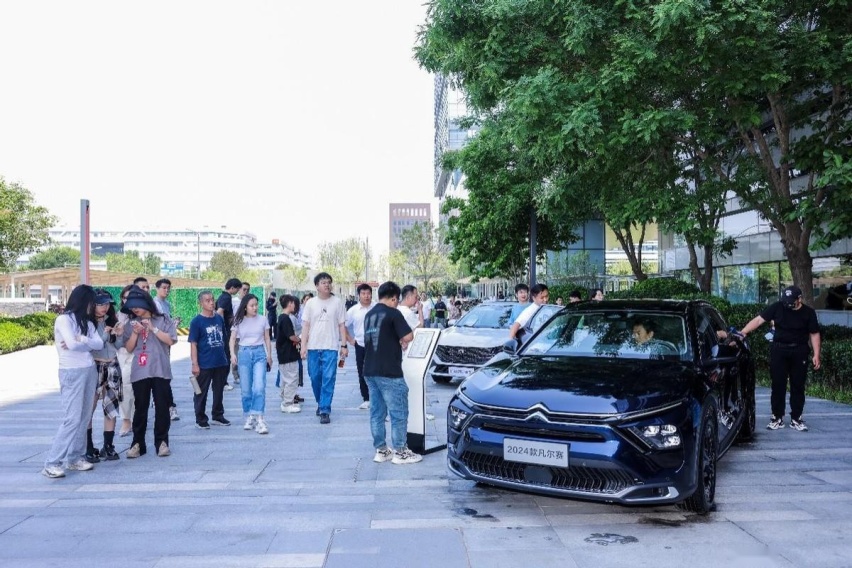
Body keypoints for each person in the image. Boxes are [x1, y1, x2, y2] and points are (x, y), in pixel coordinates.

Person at [736, 285, 821, 431]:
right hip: (779, 350)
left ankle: (796, 418)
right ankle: (777, 417)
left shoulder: (808, 313)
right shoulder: (777, 307)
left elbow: (814, 334)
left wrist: (816, 354)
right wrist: (743, 332)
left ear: (799, 299)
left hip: (799, 350)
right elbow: (758, 320)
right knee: (778, 385)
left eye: (791, 300)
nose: (788, 303)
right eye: (786, 299)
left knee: (798, 385)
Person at [42, 284, 104, 478]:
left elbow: (99, 344)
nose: (93, 307)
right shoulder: (63, 320)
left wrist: (82, 340)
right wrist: (83, 343)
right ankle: (52, 463)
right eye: (91, 303)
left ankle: (75, 458)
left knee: (85, 417)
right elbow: (70, 344)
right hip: (71, 372)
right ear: (82, 301)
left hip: (89, 370)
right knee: (72, 419)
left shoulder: (88, 323)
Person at [363, 281, 420, 465]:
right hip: (389, 371)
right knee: (398, 412)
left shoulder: (369, 315)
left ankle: (381, 450)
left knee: (377, 412)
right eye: (397, 300)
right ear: (394, 298)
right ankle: (401, 451)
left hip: (370, 369)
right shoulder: (393, 313)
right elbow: (408, 336)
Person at [121, 285, 178, 458]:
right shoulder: (130, 324)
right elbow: (129, 348)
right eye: (131, 307)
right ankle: (138, 443)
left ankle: (162, 442)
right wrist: (135, 333)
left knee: (162, 407)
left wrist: (153, 328)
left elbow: (171, 340)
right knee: (140, 407)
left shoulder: (163, 319)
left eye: (137, 305)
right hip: (140, 370)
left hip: (160, 368)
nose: (134, 309)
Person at [300, 272, 347, 424]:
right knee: (315, 377)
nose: (326, 284)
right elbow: (306, 325)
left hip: (331, 347)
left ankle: (325, 409)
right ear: (317, 286)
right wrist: (303, 346)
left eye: (328, 282)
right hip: (313, 346)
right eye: (323, 282)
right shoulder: (311, 303)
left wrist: (344, 345)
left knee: (328, 378)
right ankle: (321, 402)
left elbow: (341, 325)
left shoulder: (337, 302)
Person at [86, 289, 125, 462]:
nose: (104, 307)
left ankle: (108, 446)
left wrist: (119, 335)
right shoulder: (87, 323)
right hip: (95, 365)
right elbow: (93, 345)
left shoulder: (112, 320)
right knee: (90, 406)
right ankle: (88, 446)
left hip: (112, 364)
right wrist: (105, 334)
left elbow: (118, 345)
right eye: (100, 304)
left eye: (107, 304)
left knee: (111, 406)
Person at [230, 293, 273, 434]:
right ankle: (249, 415)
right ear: (245, 307)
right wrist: (232, 354)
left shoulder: (263, 319)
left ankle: (260, 418)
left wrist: (269, 355)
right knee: (246, 389)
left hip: (259, 353)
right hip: (244, 353)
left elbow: (267, 338)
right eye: (252, 305)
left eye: (256, 305)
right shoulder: (238, 321)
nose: (255, 308)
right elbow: (232, 340)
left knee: (259, 387)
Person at [189, 290, 232, 429]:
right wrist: (195, 364)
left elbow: (224, 339)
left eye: (212, 299)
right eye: (207, 300)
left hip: (220, 361)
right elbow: (193, 344)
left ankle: (217, 415)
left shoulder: (219, 318)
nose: (211, 302)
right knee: (201, 392)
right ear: (201, 303)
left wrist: (227, 357)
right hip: (205, 363)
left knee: (219, 390)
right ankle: (200, 419)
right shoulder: (196, 322)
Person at [153, 278, 180, 422]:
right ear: (157, 288)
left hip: (165, 343)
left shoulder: (166, 304)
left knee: (164, 374)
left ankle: (165, 402)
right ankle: (169, 405)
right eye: (164, 287)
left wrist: (173, 324)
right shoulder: (154, 304)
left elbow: (166, 324)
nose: (166, 290)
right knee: (162, 375)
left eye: (168, 288)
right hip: (156, 344)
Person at [345, 283, 374, 410]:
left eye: (368, 293)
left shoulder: (377, 307)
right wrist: (350, 340)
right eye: (363, 293)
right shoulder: (353, 311)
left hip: (377, 345)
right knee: (362, 371)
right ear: (359, 295)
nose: (366, 296)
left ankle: (377, 397)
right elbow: (342, 325)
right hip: (360, 344)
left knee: (377, 371)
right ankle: (366, 398)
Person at [116, 284, 136, 437]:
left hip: (141, 356)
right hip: (123, 355)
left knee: (139, 390)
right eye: (125, 298)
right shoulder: (117, 317)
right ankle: (126, 420)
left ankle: (136, 419)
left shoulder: (143, 316)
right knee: (125, 388)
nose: (128, 301)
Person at [276, 294, 302, 413]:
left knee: (285, 379)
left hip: (283, 354)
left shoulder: (281, 317)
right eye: (294, 303)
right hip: (288, 354)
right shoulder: (286, 318)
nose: (295, 306)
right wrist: (300, 339)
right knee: (292, 378)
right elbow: (291, 336)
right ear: (290, 304)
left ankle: (285, 400)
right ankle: (287, 403)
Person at [216, 278, 241, 391]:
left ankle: (221, 381)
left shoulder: (222, 296)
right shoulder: (226, 298)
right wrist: (220, 328)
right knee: (226, 357)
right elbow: (219, 312)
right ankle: (223, 382)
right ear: (232, 288)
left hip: (225, 330)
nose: (237, 291)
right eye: (237, 289)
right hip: (225, 331)